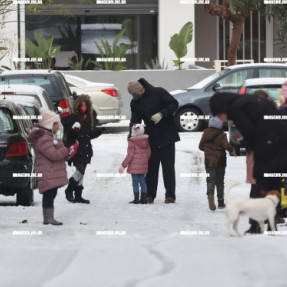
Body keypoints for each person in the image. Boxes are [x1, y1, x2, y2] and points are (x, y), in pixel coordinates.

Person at [210, 92, 287, 232]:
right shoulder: (250, 100)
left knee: (260, 182)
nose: (221, 119)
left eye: (220, 115)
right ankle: (271, 223)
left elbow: (249, 130)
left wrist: (248, 146)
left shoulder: (236, 108)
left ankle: (257, 225)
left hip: (268, 145)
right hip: (282, 142)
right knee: (275, 181)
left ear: (223, 108)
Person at [128, 78, 180, 204]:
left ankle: (170, 195)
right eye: (132, 95)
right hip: (151, 137)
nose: (134, 97)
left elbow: (174, 103)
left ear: (141, 90)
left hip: (167, 134)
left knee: (168, 167)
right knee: (151, 167)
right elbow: (135, 120)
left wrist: (162, 114)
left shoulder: (158, 92)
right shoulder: (135, 103)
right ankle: (150, 195)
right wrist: (132, 132)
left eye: (135, 94)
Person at [28, 108, 78, 225]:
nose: (58, 126)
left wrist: (61, 145)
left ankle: (49, 217)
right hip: (47, 172)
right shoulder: (43, 139)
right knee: (49, 195)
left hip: (50, 172)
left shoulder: (50, 136)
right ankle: (48, 218)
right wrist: (64, 150)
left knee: (52, 193)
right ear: (49, 125)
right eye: (56, 124)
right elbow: (54, 154)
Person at [62, 94, 107, 204]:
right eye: (81, 104)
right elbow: (68, 131)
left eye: (85, 105)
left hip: (86, 150)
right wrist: (74, 130)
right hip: (77, 149)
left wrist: (100, 130)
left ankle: (78, 195)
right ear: (77, 106)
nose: (83, 107)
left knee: (82, 173)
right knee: (80, 171)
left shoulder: (88, 119)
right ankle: (69, 189)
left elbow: (89, 134)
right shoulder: (73, 118)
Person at [199, 116, 235, 211]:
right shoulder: (222, 135)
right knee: (220, 181)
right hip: (220, 161)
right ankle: (220, 202)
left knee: (210, 180)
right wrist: (232, 150)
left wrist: (207, 150)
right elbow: (226, 145)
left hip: (208, 161)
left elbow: (200, 147)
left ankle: (210, 195)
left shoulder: (205, 134)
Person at [119, 124, 151, 204]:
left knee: (135, 182)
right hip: (143, 166)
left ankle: (136, 199)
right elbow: (149, 153)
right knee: (143, 181)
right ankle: (143, 199)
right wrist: (144, 160)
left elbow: (130, 155)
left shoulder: (132, 143)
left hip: (134, 167)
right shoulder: (146, 141)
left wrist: (123, 165)